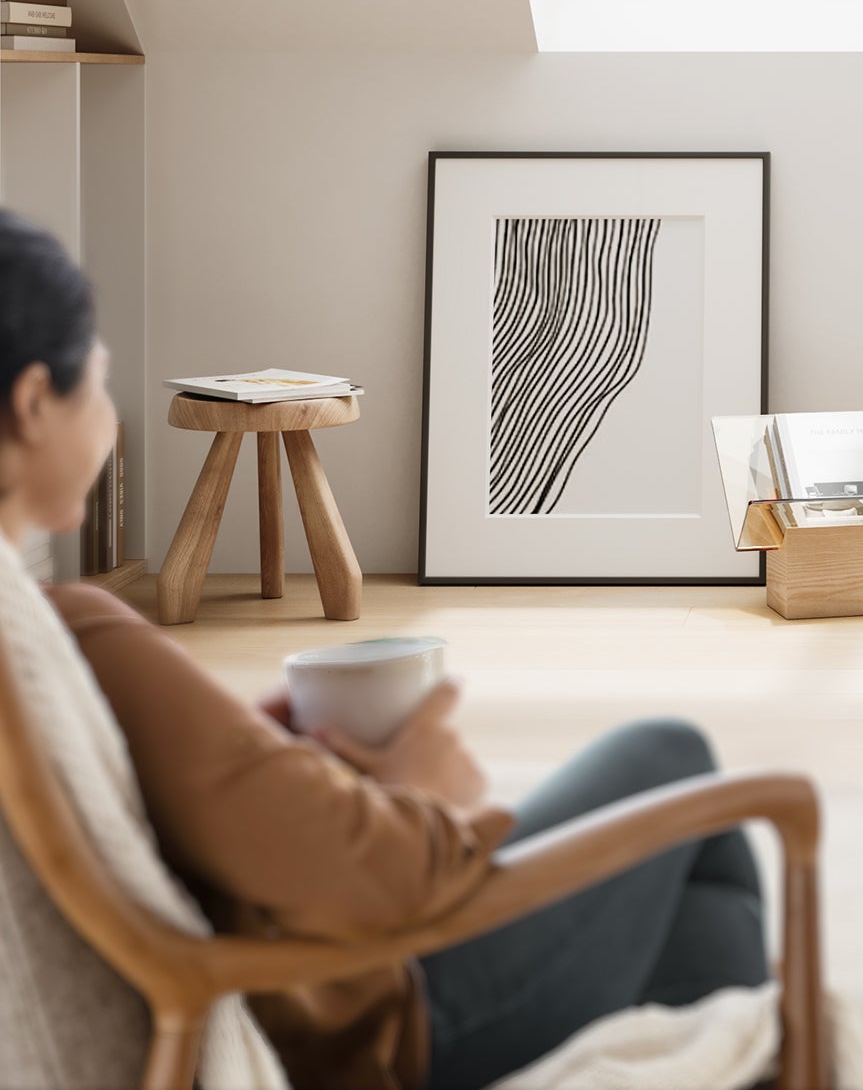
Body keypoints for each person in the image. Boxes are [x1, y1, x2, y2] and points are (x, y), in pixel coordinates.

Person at [0, 210, 767, 1090]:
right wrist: (422, 791)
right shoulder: (71, 628)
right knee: (674, 760)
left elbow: (177, 819)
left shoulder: (35, 629)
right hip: (373, 1021)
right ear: (31, 405)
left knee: (700, 915)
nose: (107, 414)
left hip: (295, 987)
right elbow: (393, 877)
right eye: (95, 384)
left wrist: (267, 759)